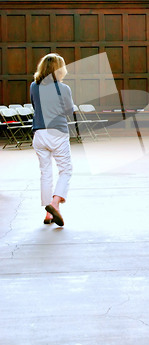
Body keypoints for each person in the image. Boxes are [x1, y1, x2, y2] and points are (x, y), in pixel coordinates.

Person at [30, 53, 74, 227]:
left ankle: (49, 214)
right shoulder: (64, 88)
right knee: (66, 170)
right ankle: (55, 203)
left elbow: (35, 106)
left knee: (45, 173)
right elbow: (69, 111)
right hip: (57, 133)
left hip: (39, 133)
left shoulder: (34, 86)